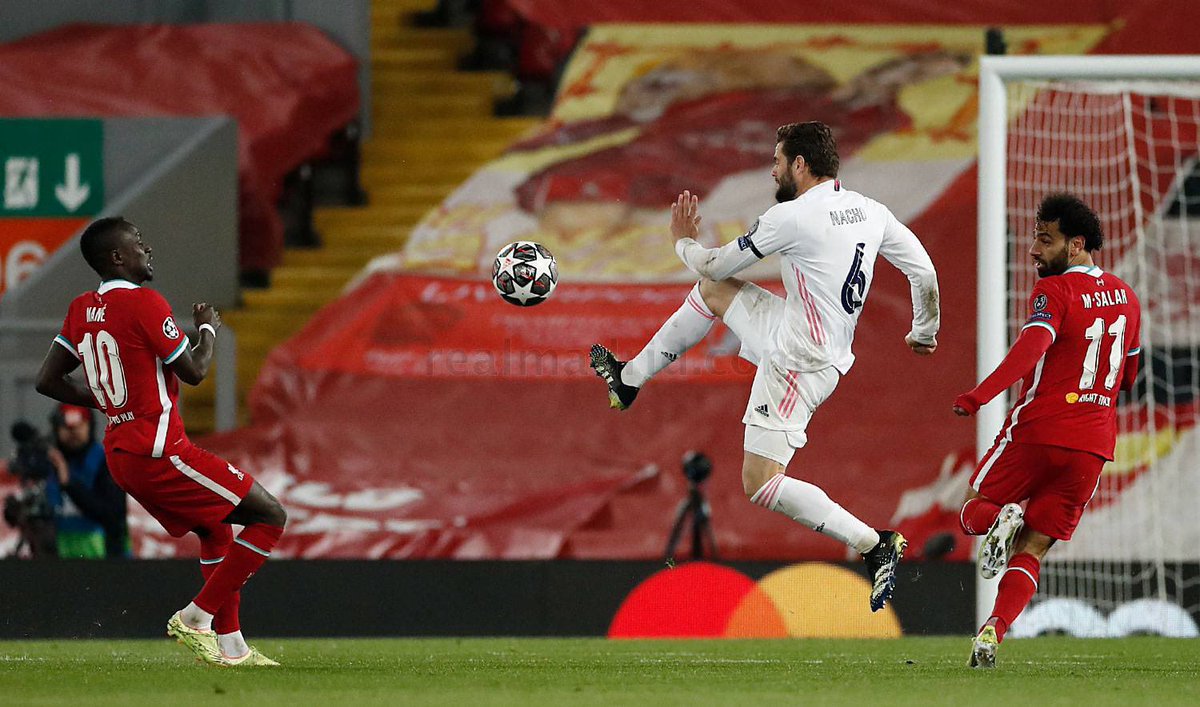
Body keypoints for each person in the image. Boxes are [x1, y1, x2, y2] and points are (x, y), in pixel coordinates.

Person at [590, 121, 941, 612]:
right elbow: (922, 271)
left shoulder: (791, 217)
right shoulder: (869, 210)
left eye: (777, 160)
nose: (772, 169)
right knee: (712, 296)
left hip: (797, 360)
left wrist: (682, 242)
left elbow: (712, 263)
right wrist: (924, 331)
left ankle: (873, 544)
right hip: (805, 336)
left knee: (761, 482)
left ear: (800, 164)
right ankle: (628, 380)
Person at [35, 216, 287, 667]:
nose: (147, 250)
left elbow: (48, 380)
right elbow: (193, 372)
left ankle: (231, 647)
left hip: (122, 453)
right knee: (270, 515)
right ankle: (197, 616)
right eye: (138, 244)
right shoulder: (146, 303)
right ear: (117, 257)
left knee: (215, 528)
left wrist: (115, 404)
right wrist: (207, 329)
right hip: (160, 450)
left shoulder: (80, 309)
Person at [953, 193, 1141, 668]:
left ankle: (999, 520)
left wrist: (980, 395)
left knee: (975, 507)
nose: (1034, 251)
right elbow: (1130, 377)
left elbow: (1031, 348)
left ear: (1076, 245)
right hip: (1094, 446)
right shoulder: (1128, 298)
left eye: (1045, 240)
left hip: (1040, 428)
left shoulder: (1054, 292)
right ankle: (993, 632)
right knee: (1034, 548)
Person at [45, 404, 129, 559]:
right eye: (66, 427)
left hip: (105, 558)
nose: (73, 433)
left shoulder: (106, 461)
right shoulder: (49, 462)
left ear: (90, 426)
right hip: (60, 559)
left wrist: (69, 484)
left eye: (79, 426)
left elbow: (112, 515)